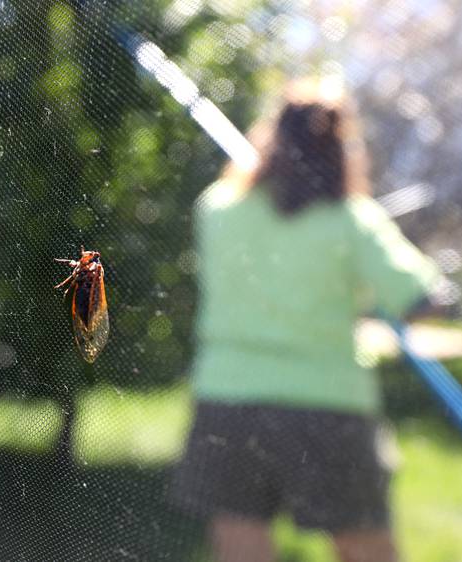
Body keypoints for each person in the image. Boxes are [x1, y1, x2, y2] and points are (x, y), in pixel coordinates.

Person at [171, 79, 442, 562]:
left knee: (240, 538)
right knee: (364, 545)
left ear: (270, 135)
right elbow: (422, 295)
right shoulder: (352, 220)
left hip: (229, 398)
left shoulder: (216, 209)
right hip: (329, 404)